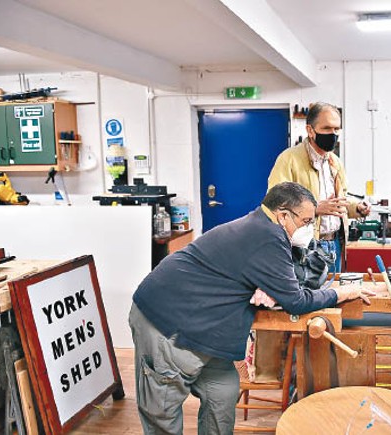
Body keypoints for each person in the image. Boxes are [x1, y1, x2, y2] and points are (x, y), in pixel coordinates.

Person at [129, 182, 373, 435]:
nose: (308, 229)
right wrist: (340, 293)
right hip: (166, 320)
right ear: (283, 215)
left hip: (205, 325)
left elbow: (271, 278)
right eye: (306, 221)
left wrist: (268, 285)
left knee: (222, 393)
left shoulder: (263, 227)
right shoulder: (267, 237)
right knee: (163, 411)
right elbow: (296, 301)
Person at [268, 102, 370, 272]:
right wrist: (314, 209)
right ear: (310, 130)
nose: (333, 134)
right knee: (308, 296)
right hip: (305, 248)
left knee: (333, 294)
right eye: (327, 128)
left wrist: (356, 208)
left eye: (337, 129)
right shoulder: (289, 160)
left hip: (335, 244)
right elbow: (274, 206)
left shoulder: (334, 162)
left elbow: (338, 200)